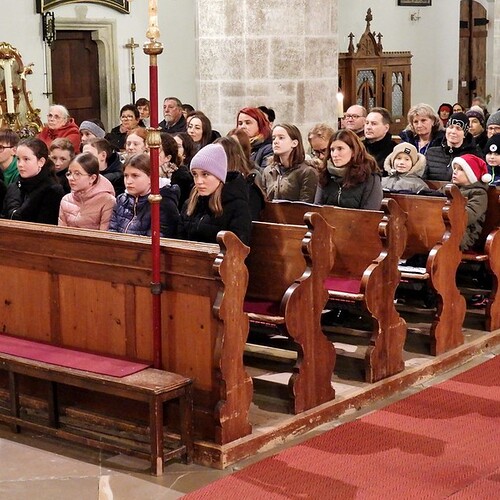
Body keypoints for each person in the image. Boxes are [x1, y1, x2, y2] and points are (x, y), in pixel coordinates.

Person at [177, 143, 252, 245]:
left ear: (219, 176)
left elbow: (237, 247)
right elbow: (179, 240)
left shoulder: (237, 206)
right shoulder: (189, 204)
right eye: (195, 174)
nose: (198, 181)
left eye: (205, 174)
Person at [109, 153, 180, 237]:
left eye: (135, 176)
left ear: (151, 178)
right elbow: (112, 231)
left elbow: (157, 237)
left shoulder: (162, 203)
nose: (128, 181)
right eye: (126, 176)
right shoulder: (121, 199)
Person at [2, 137, 64, 224]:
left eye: (26, 159)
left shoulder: (52, 190)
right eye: (18, 159)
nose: (20, 164)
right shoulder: (14, 187)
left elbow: (45, 225)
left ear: (41, 162)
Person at [316, 128, 383, 210]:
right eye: (332, 150)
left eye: (340, 149)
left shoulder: (370, 177)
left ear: (353, 151)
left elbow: (370, 213)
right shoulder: (325, 174)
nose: (335, 154)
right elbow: (317, 208)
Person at [58, 152, 116, 230]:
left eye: (77, 174)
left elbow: (104, 234)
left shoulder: (107, 201)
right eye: (70, 173)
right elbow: (61, 232)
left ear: (92, 178)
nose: (71, 178)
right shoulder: (66, 200)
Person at [262, 123, 318, 203]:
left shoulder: (307, 172)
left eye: (281, 138)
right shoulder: (268, 171)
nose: (275, 142)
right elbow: (264, 202)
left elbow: (306, 205)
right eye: (273, 138)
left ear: (294, 143)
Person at [216, 136, 265, 220]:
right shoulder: (210, 186)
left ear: (233, 158)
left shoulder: (250, 190)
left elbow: (247, 222)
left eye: (219, 157)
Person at [424, 112, 483, 181]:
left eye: (458, 128)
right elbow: (422, 178)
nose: (453, 131)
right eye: (451, 127)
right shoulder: (431, 153)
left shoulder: (474, 155)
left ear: (465, 134)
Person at [448, 154, 490, 251]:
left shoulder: (479, 194)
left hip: (465, 234)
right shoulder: (450, 188)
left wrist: (444, 212)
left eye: (461, 169)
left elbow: (468, 216)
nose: (455, 172)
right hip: (447, 227)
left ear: (471, 175)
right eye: (455, 168)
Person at [159, 132, 193, 210]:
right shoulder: (142, 171)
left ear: (168, 157)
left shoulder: (181, 178)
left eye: (156, 151)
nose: (148, 155)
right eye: (146, 150)